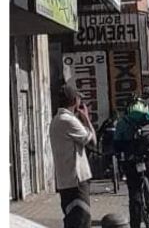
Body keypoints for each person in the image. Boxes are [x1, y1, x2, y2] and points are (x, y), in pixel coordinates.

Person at [114, 95, 149, 228]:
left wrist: (119, 154)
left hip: (132, 160)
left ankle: (135, 224)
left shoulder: (123, 122)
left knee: (135, 196)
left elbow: (117, 143)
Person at [50, 84, 96, 228]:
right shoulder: (68, 120)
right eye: (78, 99)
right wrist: (86, 118)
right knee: (81, 220)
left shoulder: (57, 120)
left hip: (65, 181)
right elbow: (92, 141)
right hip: (76, 181)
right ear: (74, 100)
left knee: (72, 221)